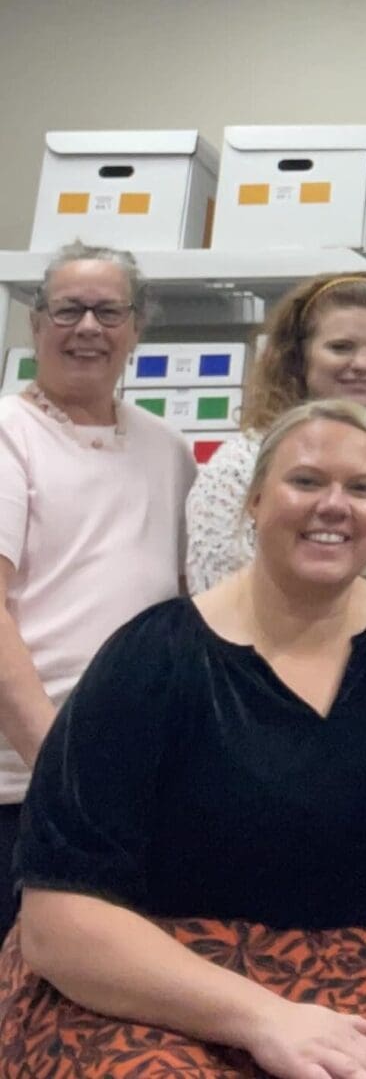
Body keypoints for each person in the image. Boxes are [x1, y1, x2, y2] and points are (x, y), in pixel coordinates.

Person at [0, 400, 366, 1078]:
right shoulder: (151, 661)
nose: (333, 505)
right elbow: (57, 922)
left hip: (359, 984)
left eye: (360, 487)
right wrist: (263, 1017)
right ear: (254, 501)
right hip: (149, 983)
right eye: (306, 481)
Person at [0, 242, 194, 941]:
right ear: (34, 324)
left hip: (128, 784)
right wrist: (60, 773)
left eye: (109, 311)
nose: (88, 327)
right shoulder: (9, 434)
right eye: (68, 309)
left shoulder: (167, 448)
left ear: (137, 327)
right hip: (24, 788)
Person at [185, 271, 366, 592]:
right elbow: (217, 596)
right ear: (299, 355)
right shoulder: (239, 467)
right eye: (341, 347)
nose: (363, 363)